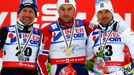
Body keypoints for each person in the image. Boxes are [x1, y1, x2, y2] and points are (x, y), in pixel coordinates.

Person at [37, 0, 95, 75]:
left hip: (82, 71)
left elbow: (104, 32)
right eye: (62, 9)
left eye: (69, 9)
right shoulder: (48, 30)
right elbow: (41, 59)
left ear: (74, 10)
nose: (66, 13)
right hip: (57, 71)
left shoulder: (85, 25)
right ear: (58, 10)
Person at [87, 0, 134, 75]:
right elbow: (88, 61)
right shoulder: (93, 34)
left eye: (107, 11)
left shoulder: (123, 29)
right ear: (97, 15)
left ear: (112, 12)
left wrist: (123, 72)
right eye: (100, 12)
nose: (104, 15)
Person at [0, 0, 40, 75]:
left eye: (31, 11)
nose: (27, 15)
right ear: (18, 12)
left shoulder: (40, 34)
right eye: (24, 10)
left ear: (35, 15)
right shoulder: (5, 31)